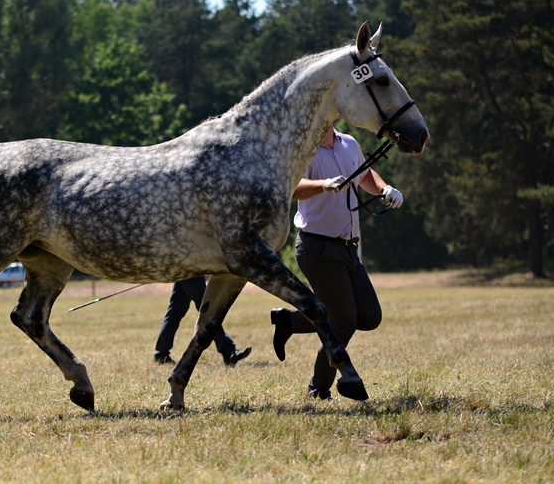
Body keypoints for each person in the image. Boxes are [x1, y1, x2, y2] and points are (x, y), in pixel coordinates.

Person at [270, 125, 403, 400]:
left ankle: (290, 322)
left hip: (349, 249)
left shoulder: (349, 143)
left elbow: (364, 174)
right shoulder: (303, 147)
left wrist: (384, 188)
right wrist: (323, 184)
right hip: (317, 247)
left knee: (369, 316)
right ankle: (318, 389)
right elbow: (292, 188)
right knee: (343, 321)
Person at [154, 276, 252, 366]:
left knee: (175, 312)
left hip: (183, 268)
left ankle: (161, 354)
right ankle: (229, 351)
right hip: (191, 269)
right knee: (208, 310)